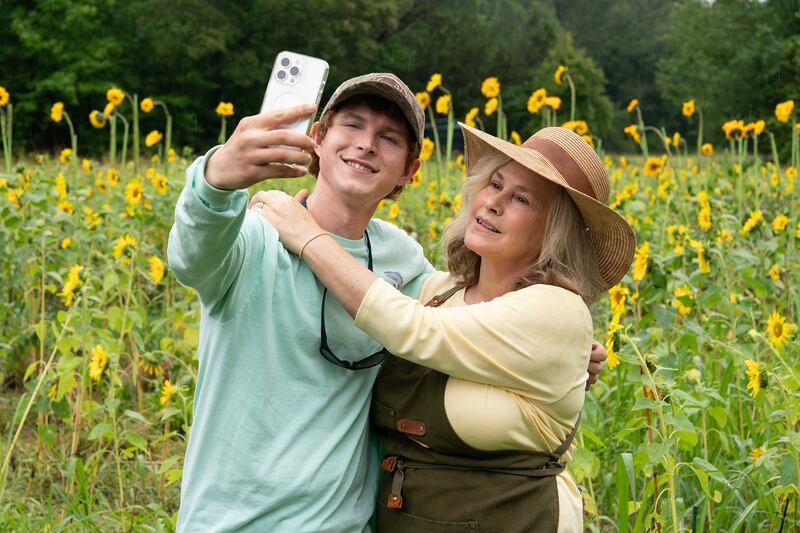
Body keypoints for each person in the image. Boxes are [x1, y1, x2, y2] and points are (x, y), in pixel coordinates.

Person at [169, 73, 607, 532]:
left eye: (388, 137)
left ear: (409, 171)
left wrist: (565, 359)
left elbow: (431, 324)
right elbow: (190, 255)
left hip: (349, 525)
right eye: (352, 125)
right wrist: (215, 180)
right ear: (317, 138)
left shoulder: (402, 264)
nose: (366, 145)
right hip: (235, 521)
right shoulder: (257, 236)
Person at [248, 122, 635, 532]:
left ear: (555, 231)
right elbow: (376, 310)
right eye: (495, 184)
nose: (493, 203)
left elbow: (411, 328)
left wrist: (307, 234)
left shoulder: (557, 310)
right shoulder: (440, 290)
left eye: (521, 199)